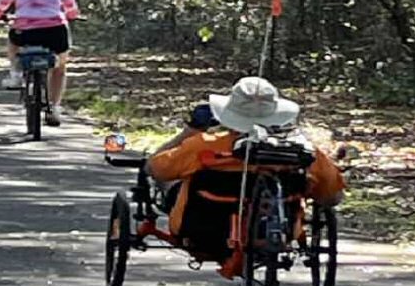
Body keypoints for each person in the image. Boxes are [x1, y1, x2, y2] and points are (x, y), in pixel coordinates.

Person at [147, 76, 345, 268]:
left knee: (171, 179)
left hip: (201, 230)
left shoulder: (203, 146)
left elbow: (155, 169)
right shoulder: (304, 152)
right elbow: (332, 197)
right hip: (276, 229)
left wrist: (190, 132)